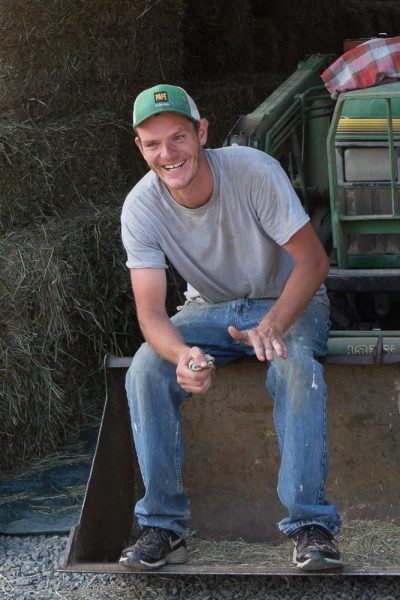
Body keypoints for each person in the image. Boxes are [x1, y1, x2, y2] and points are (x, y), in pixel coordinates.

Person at [119, 84, 343, 571]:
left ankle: (312, 526)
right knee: (144, 368)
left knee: (292, 363)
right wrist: (182, 356)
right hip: (211, 309)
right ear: (139, 148)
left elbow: (313, 262)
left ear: (202, 133)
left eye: (178, 137)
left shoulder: (253, 172)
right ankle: (162, 524)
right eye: (153, 144)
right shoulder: (140, 207)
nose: (167, 153)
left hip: (287, 299)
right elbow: (152, 313)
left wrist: (274, 324)